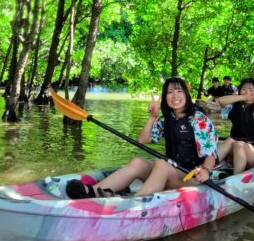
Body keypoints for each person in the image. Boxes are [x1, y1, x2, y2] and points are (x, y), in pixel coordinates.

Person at [65, 77, 218, 198]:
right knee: (137, 162)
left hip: (191, 177)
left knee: (162, 164)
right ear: (165, 97)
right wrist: (152, 117)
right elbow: (143, 140)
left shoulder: (199, 120)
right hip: (171, 173)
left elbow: (211, 153)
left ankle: (135, 203)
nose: (175, 96)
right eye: (170, 92)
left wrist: (205, 170)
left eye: (179, 91)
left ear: (186, 94)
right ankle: (93, 191)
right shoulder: (167, 119)